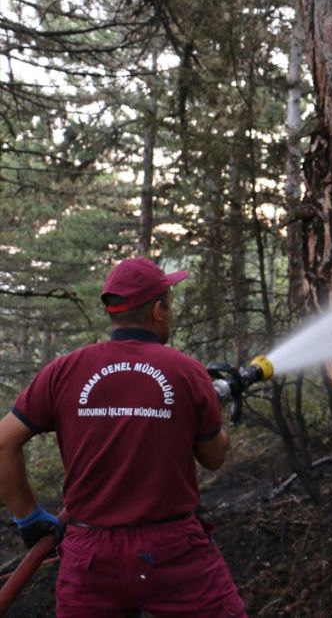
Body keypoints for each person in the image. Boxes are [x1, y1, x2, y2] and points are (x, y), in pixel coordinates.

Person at [0, 257, 247, 617]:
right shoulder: (187, 373)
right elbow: (213, 457)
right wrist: (210, 412)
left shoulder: (64, 370)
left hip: (89, 555)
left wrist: (28, 517)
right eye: (170, 304)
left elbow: (4, 441)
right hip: (173, 551)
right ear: (159, 311)